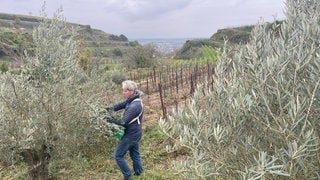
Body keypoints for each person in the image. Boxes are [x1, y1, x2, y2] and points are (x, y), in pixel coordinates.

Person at [107, 80, 144, 180]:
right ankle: (139, 173)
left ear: (131, 91)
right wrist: (108, 109)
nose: (123, 93)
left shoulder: (134, 106)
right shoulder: (132, 100)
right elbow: (120, 105)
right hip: (136, 132)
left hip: (131, 135)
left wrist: (109, 120)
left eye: (125, 91)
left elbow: (123, 122)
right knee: (134, 153)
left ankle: (128, 176)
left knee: (118, 155)